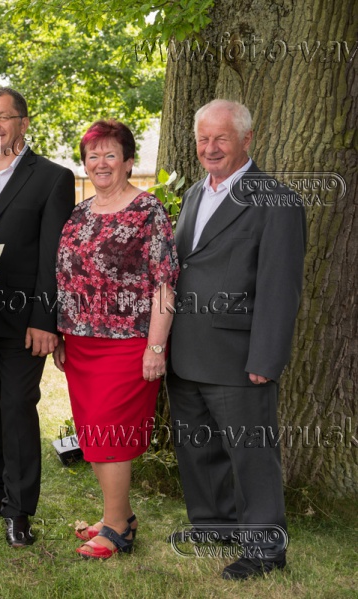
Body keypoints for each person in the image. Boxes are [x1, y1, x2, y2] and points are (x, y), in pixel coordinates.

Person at [167, 99, 305, 580]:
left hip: (239, 355)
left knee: (252, 455)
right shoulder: (193, 194)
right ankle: (215, 526)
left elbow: (280, 287)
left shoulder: (276, 200)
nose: (210, 148)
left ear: (247, 139)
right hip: (185, 351)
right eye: (203, 139)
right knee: (197, 446)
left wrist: (267, 357)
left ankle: (265, 549)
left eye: (221, 138)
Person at [53, 119, 178, 558]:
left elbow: (164, 284)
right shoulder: (79, 214)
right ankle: (118, 516)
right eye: (93, 156)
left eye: (110, 154)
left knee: (112, 435)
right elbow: (66, 279)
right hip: (80, 344)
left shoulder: (148, 211)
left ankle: (117, 529)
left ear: (128, 161)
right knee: (93, 434)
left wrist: (156, 347)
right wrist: (62, 334)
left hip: (128, 343)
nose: (101, 163)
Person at [0, 87, 75, 547]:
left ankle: (20, 511)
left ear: (23, 123)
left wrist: (46, 321)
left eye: (3, 117)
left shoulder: (52, 178)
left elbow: (53, 257)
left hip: (26, 321)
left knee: (18, 406)